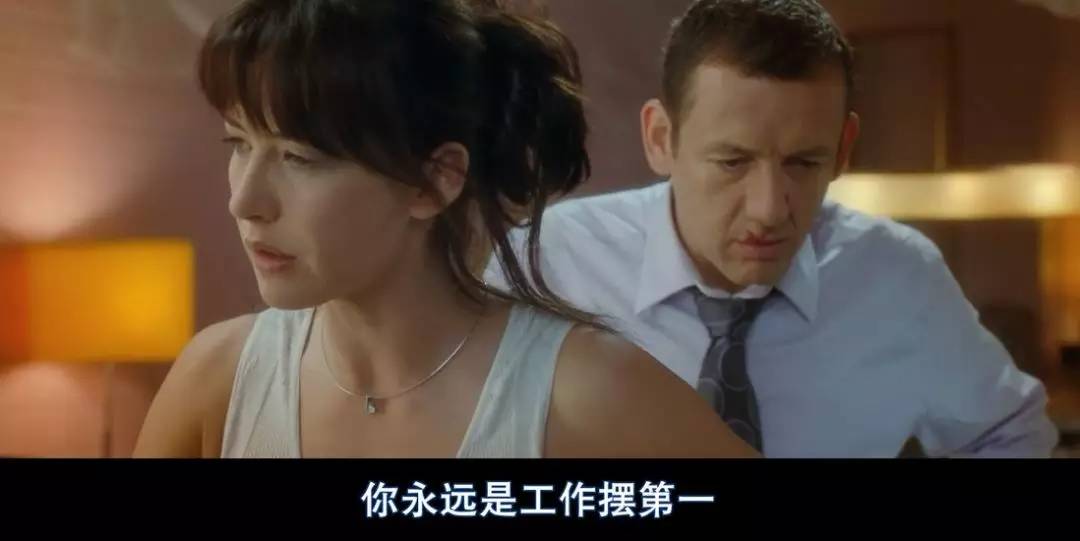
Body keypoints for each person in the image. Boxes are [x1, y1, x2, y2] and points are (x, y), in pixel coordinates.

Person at [134, 0, 756, 459]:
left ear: (435, 181)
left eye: (299, 157)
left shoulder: (586, 394)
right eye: (240, 144)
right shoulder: (218, 382)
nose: (245, 201)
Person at [485, 0, 1059, 457]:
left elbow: (1010, 434)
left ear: (844, 149)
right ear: (661, 138)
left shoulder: (898, 277)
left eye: (804, 163)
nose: (769, 210)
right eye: (732, 162)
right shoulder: (546, 265)